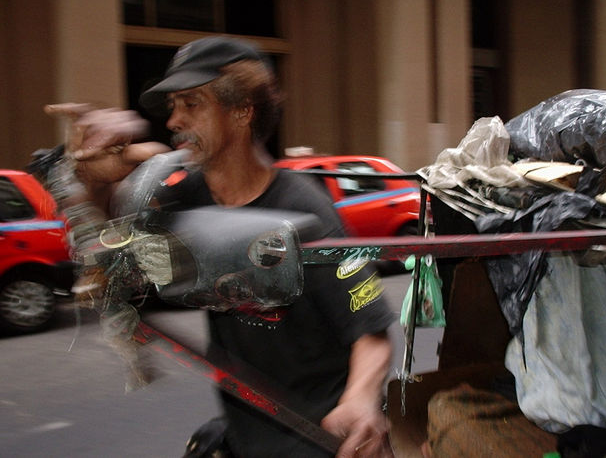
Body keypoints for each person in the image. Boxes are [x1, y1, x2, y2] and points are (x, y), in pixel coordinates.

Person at [66, 36, 394, 457]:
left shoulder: (303, 210)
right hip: (246, 436)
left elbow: (369, 327)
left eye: (191, 104)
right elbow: (111, 240)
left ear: (242, 110)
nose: (173, 121)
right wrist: (96, 178)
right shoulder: (184, 197)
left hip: (318, 437)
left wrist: (362, 398)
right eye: (173, 106)